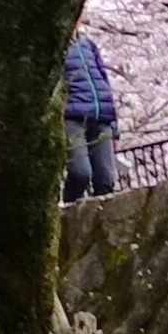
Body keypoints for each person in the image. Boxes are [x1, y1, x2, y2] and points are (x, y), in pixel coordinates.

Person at [60, 27, 124, 203]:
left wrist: (114, 129)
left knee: (106, 180)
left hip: (101, 117)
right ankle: (67, 214)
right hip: (72, 118)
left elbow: (104, 81)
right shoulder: (55, 47)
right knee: (81, 173)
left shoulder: (87, 44)